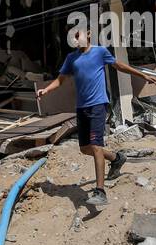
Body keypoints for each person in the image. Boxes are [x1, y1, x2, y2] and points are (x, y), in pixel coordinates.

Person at [37, 26, 148, 206]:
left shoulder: (100, 52)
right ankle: (116, 158)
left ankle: (100, 191)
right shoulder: (71, 58)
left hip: (98, 105)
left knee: (96, 146)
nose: (75, 38)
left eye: (78, 34)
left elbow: (118, 65)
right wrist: (46, 90)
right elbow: (60, 80)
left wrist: (141, 74)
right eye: (73, 36)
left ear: (88, 34)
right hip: (82, 108)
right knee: (85, 149)